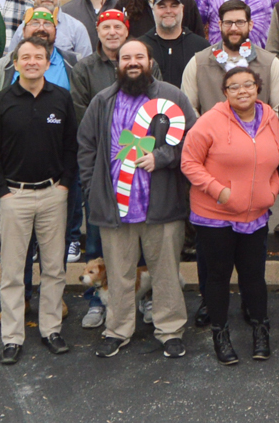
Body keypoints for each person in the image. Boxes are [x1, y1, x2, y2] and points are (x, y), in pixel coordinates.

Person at [78, 39, 198, 359]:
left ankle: (170, 328)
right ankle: (118, 329)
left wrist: (163, 157)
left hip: (161, 203)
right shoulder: (103, 101)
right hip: (115, 205)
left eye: (139, 57)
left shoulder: (172, 97)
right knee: (119, 272)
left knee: (166, 272)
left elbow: (194, 141)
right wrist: (92, 190)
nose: (132, 62)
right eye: (126, 57)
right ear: (118, 64)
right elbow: (86, 146)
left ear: (149, 61)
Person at [0, 35, 78, 365]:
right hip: (14, 195)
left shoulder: (61, 99)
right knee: (11, 270)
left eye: (39, 56)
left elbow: (71, 147)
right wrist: (2, 191)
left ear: (47, 61)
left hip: (54, 194)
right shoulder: (3, 100)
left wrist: (64, 185)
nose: (32, 62)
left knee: (53, 267)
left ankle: (51, 329)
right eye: (26, 57)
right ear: (17, 62)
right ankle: (12, 336)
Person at [183, 65, 279, 364]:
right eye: (235, 87)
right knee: (218, 276)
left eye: (248, 85)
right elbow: (189, 163)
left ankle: (260, 329)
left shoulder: (271, 119)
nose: (243, 91)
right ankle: (220, 332)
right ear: (225, 92)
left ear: (258, 87)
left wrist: (272, 191)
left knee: (254, 275)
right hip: (215, 215)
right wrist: (219, 191)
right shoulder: (208, 122)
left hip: (255, 214)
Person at [184, 0, 279, 117]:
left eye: (240, 22)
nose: (234, 28)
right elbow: (189, 110)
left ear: (250, 25)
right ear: (220, 25)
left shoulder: (270, 64)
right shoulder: (198, 63)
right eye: (228, 22)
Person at [146, 0, 213, 87]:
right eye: (162, 6)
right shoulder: (142, 47)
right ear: (153, 10)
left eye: (174, 6)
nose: (168, 11)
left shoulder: (201, 46)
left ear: (182, 9)